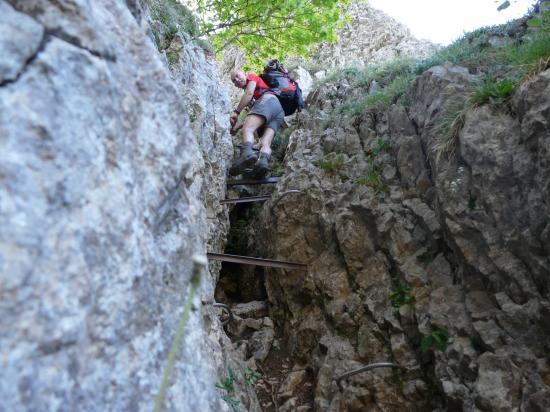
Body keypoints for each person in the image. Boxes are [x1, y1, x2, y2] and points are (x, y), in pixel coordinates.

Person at [229, 69, 285, 178]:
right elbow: (252, 115)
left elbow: (249, 93)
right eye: (233, 81)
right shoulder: (257, 96)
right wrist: (236, 128)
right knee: (265, 142)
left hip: (268, 101)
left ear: (244, 73)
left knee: (248, 129)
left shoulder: (252, 77)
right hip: (278, 111)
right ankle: (263, 163)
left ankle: (246, 154)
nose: (236, 80)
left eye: (237, 76)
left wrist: (236, 112)